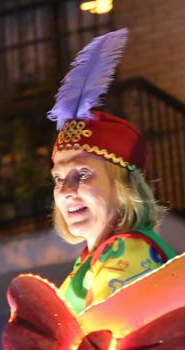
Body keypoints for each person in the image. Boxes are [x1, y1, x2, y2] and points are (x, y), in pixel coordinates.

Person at [47, 30, 175, 314]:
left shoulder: (128, 253)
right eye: (58, 179)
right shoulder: (90, 262)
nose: (66, 192)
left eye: (81, 174)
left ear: (123, 187)